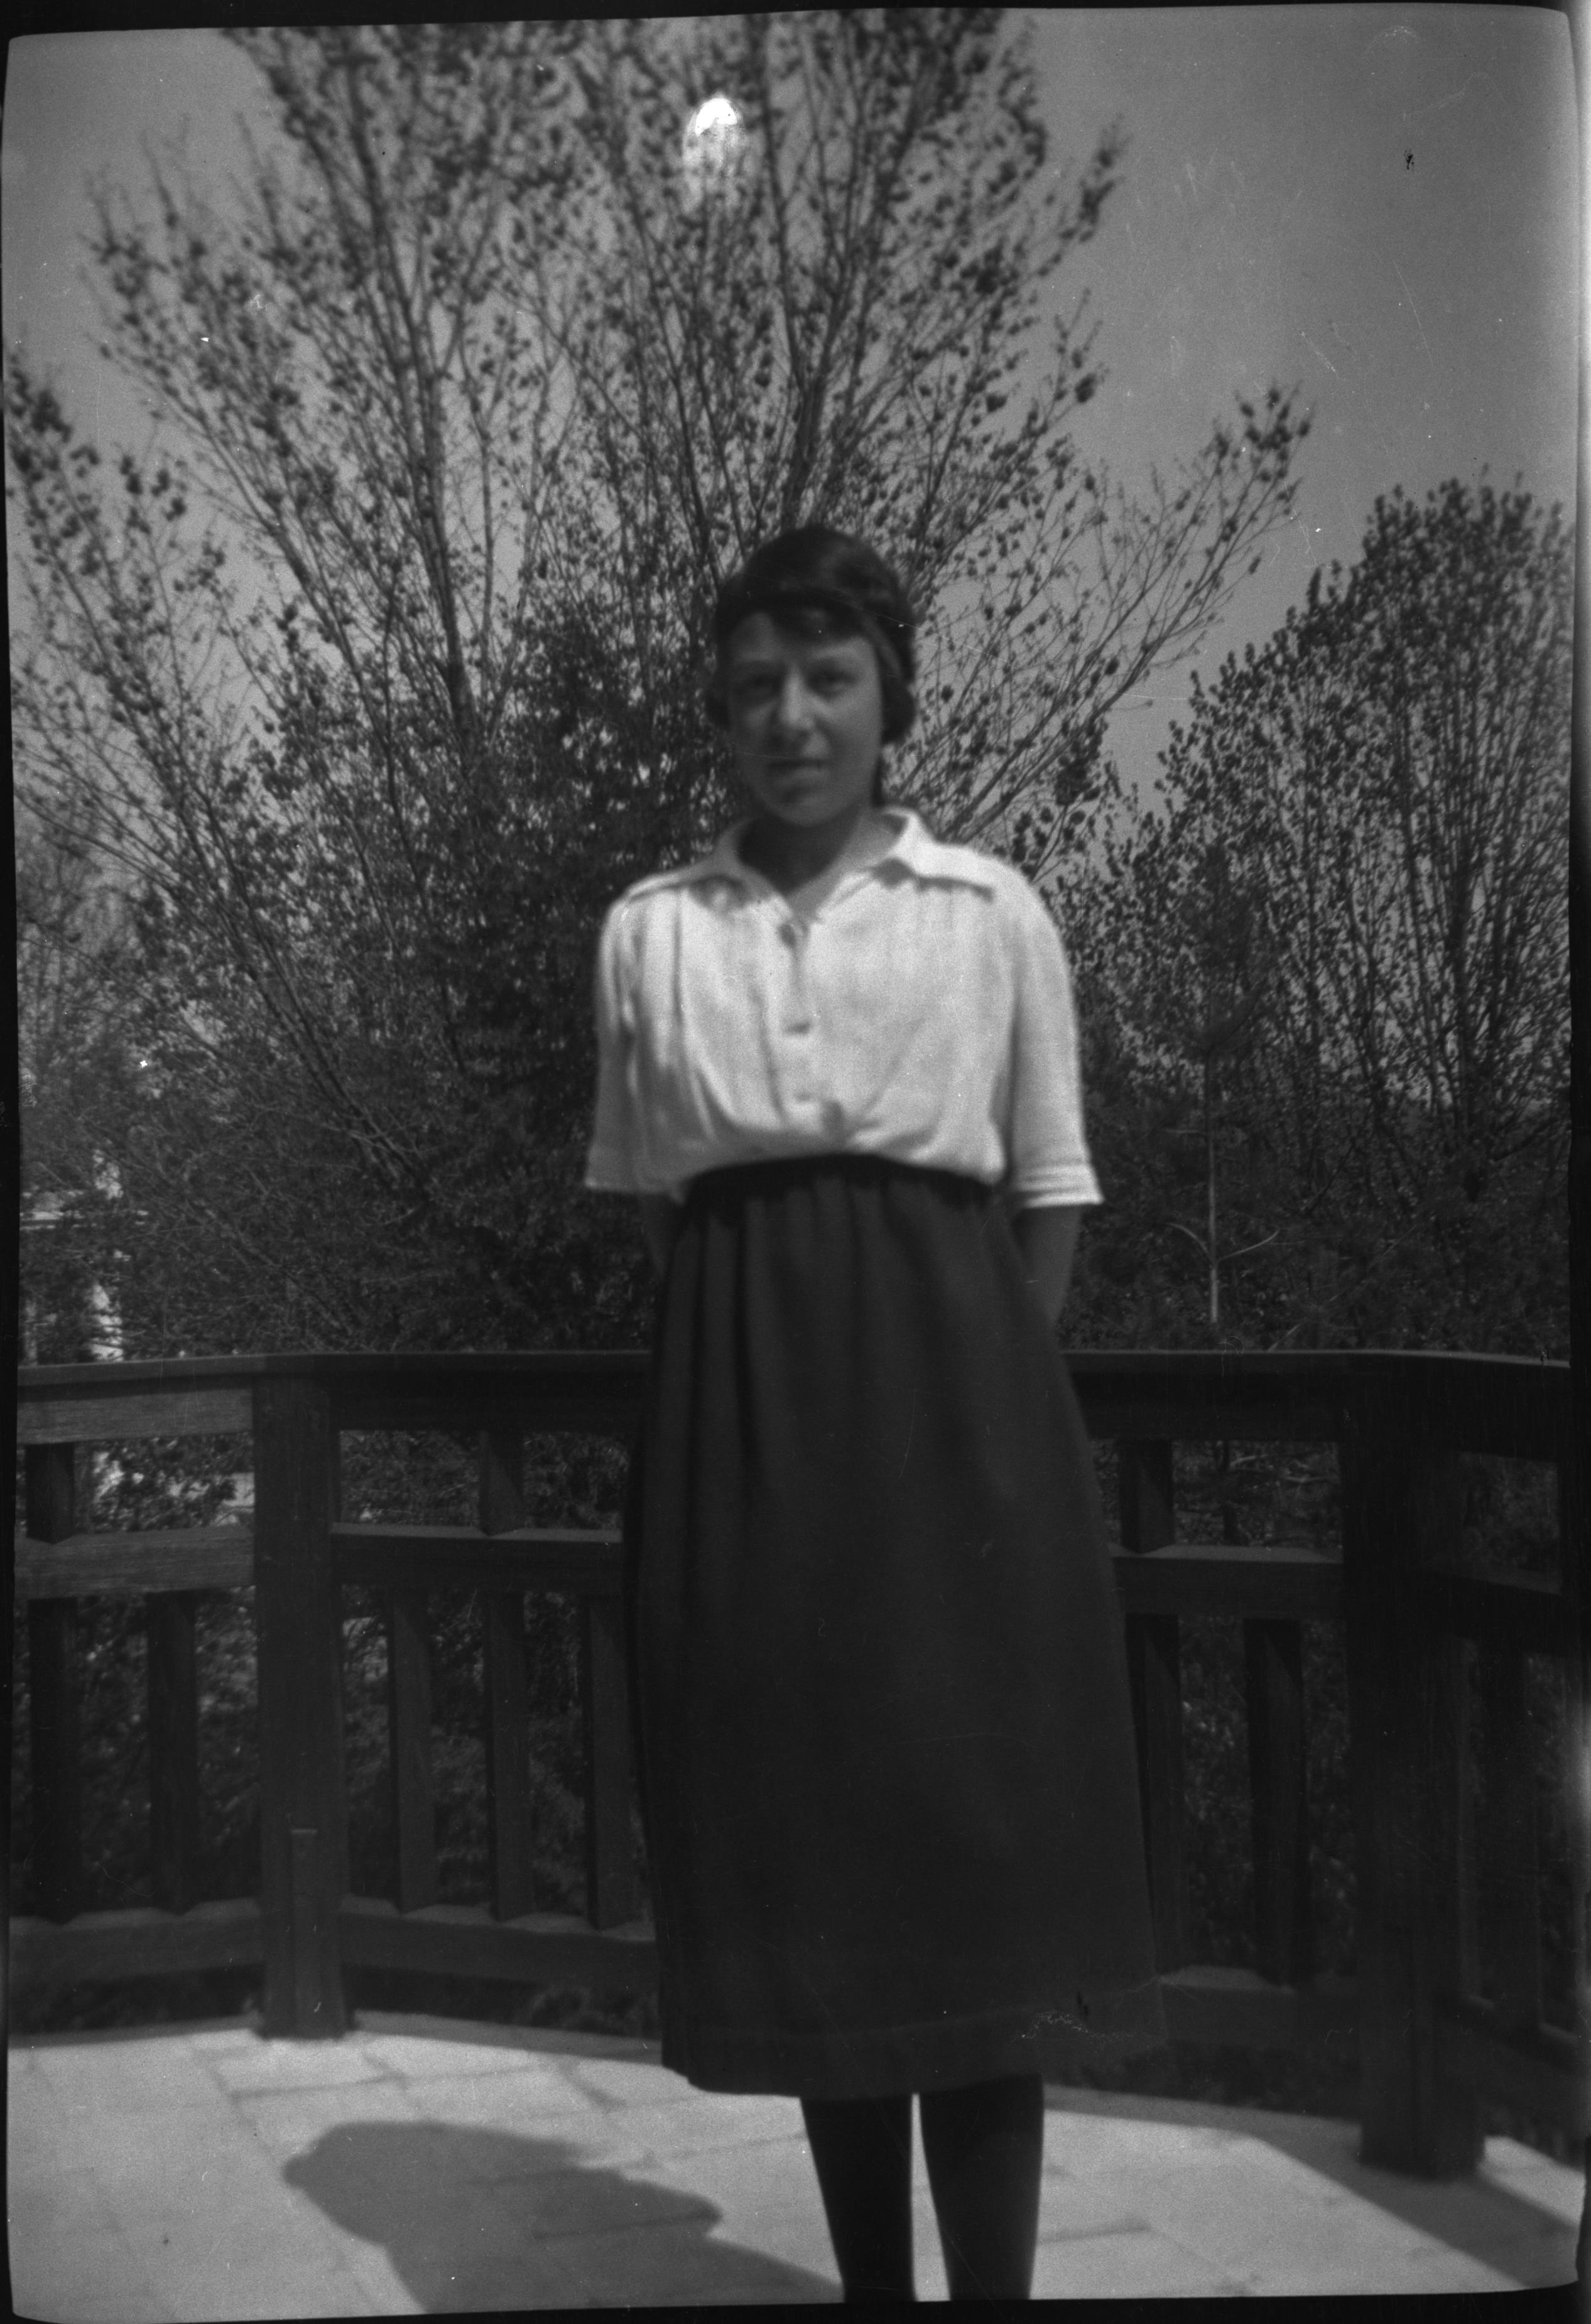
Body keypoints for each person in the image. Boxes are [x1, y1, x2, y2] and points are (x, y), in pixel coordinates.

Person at [585, 526, 1165, 2301]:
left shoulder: (989, 914)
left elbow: (1048, 1193)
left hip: (960, 1439)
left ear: (888, 702)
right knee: (818, 1887)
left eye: (829, 680)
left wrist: (976, 1407)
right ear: (719, 712)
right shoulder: (649, 935)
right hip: (746, 1437)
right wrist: (770, 1365)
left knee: (972, 1878)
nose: (793, 717)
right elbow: (663, 1205)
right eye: (756, 684)